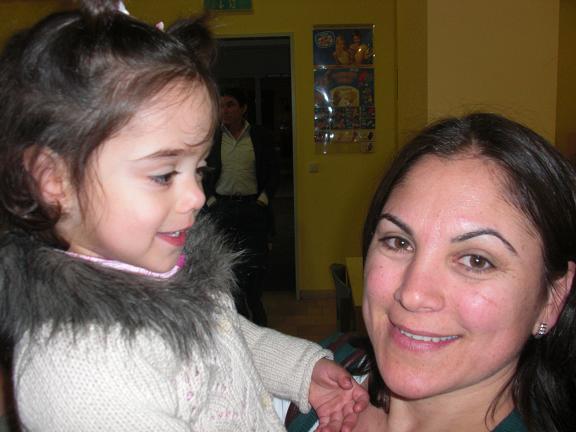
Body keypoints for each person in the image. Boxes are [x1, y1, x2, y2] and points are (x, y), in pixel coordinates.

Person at [0, 2, 369, 430]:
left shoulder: (160, 265)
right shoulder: (81, 375)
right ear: (53, 180)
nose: (195, 195)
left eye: (199, 169)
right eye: (162, 175)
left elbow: (226, 334)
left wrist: (302, 371)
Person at [278, 113, 576, 432]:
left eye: (477, 260)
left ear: (552, 298)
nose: (413, 294)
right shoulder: (321, 367)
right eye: (398, 241)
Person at [203, 87, 279, 325]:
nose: (224, 110)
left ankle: (257, 317)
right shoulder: (212, 138)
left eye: (230, 105)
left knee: (255, 267)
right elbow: (201, 171)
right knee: (227, 268)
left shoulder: (259, 136)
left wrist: (262, 200)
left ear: (243, 108)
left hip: (253, 210)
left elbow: (273, 172)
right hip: (222, 210)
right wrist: (211, 201)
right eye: (221, 106)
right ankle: (239, 322)